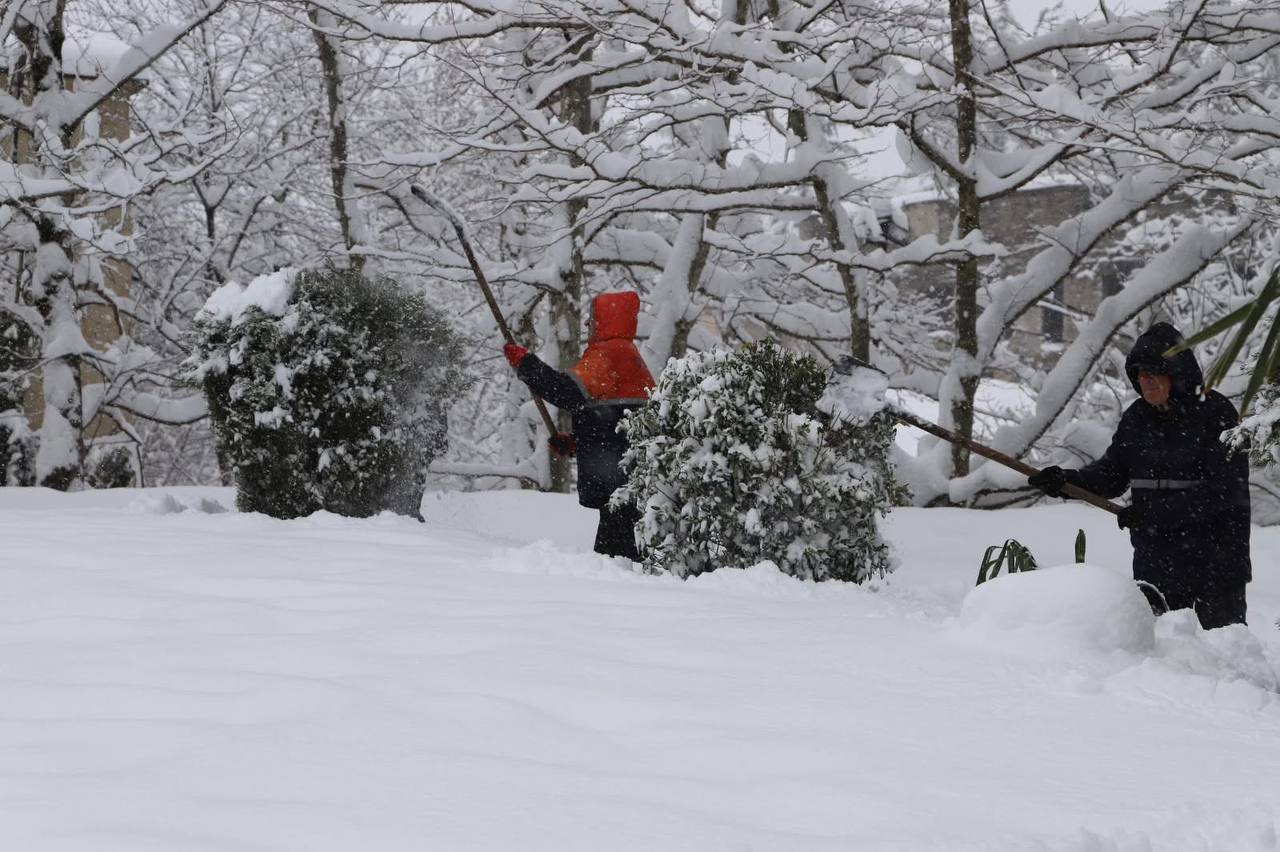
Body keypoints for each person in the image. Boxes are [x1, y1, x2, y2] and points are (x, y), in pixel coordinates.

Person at [1028, 322, 1251, 629]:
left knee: (1219, 663)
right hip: (1157, 567)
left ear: (1177, 373)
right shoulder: (1137, 419)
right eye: (1139, 374)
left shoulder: (1216, 414)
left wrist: (1154, 514)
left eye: (1153, 372)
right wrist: (1065, 482)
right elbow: (1111, 473)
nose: (1145, 381)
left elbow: (1224, 492)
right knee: (1156, 665)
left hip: (1214, 569)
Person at [503, 291, 655, 560]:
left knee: (616, 559)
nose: (587, 325)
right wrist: (577, 442)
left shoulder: (610, 353)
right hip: (625, 478)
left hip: (618, 482)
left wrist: (526, 364)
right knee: (619, 553)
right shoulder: (627, 354)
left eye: (593, 319)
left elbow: (566, 392)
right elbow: (616, 423)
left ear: (607, 321)